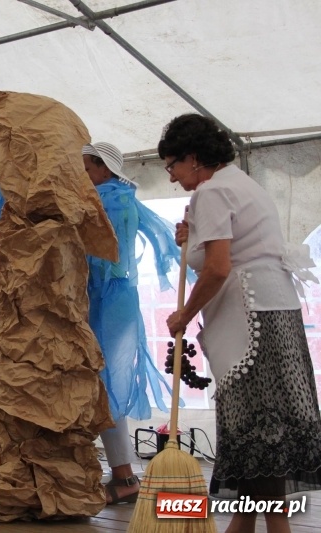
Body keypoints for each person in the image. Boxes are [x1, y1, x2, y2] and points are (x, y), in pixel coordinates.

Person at [162, 113, 321, 533]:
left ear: (193, 158)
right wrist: (192, 234)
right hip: (278, 311)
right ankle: (245, 523)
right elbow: (222, 248)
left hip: (251, 318)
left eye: (172, 166)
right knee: (264, 430)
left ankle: (267, 527)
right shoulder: (242, 184)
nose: (173, 178)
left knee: (257, 428)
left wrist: (184, 313)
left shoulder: (212, 192)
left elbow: (216, 268)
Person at [82, 142, 180, 505]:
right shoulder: (115, 198)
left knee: (106, 386)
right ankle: (120, 473)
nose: (83, 177)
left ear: (104, 170)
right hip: (108, 301)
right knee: (102, 386)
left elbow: (103, 260)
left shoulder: (112, 201)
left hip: (108, 304)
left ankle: (124, 476)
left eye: (87, 169)